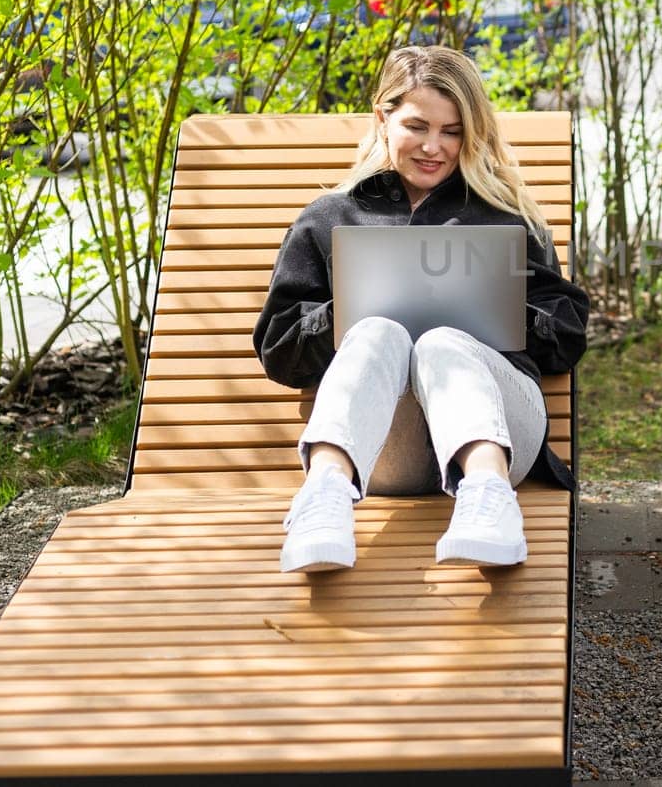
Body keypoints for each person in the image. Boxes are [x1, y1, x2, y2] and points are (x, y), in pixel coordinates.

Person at [252, 45, 588, 573]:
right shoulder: (328, 220)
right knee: (377, 331)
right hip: (385, 447)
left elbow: (566, 339)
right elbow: (279, 354)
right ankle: (324, 500)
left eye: (452, 131)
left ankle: (487, 500)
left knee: (442, 341)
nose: (434, 146)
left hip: (502, 439)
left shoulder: (504, 217)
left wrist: (488, 305)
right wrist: (352, 313)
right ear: (382, 117)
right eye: (418, 125)